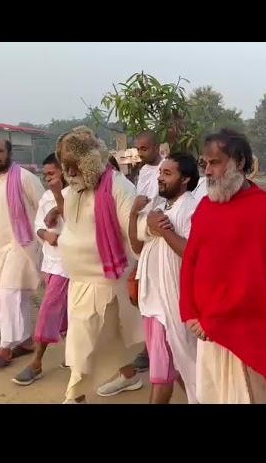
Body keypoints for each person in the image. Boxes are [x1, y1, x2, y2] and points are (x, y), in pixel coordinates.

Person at [180, 129, 266, 404]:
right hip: (207, 331)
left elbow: (263, 281)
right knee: (211, 397)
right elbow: (190, 262)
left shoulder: (264, 209)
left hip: (248, 334)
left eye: (215, 162)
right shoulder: (205, 207)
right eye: (204, 164)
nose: (207, 171)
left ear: (239, 162)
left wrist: (213, 320)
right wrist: (190, 313)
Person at [49, 126, 144, 403]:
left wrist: (148, 224)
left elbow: (135, 227)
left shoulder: (117, 186)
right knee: (110, 338)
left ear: (88, 162)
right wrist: (58, 200)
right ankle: (129, 376)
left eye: (73, 165)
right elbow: (75, 223)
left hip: (105, 282)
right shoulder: (76, 189)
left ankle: (74, 397)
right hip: (79, 281)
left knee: (82, 344)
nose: (69, 172)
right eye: (65, 166)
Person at [129, 153, 200, 403]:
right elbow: (137, 247)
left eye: (167, 173)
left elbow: (193, 254)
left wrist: (162, 230)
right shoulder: (158, 207)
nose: (160, 178)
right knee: (178, 368)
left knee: (166, 373)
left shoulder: (192, 208)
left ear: (186, 179)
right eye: (160, 172)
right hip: (153, 301)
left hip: (173, 302)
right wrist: (134, 215)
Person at [97, 131, 163, 396]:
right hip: (141, 240)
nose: (142, 152)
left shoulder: (164, 170)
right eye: (139, 148)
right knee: (145, 298)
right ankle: (152, 349)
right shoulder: (144, 171)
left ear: (158, 147)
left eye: (145, 148)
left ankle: (156, 354)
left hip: (159, 236)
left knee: (158, 299)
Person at [0, 138, 45, 368]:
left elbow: (46, 207)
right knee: (0, 294)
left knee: (10, 293)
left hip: (22, 246)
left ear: (9, 153)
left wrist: (45, 239)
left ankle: (5, 348)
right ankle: (25, 342)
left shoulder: (26, 178)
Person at [11, 153, 70, 385]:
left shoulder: (74, 195)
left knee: (48, 310)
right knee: (65, 311)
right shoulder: (46, 196)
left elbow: (76, 224)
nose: (48, 179)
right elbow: (38, 224)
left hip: (68, 264)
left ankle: (36, 362)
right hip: (51, 262)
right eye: (45, 175)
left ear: (64, 172)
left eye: (52, 174)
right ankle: (73, 355)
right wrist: (45, 235)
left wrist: (58, 203)